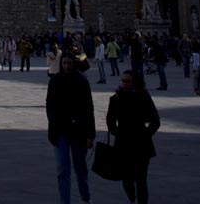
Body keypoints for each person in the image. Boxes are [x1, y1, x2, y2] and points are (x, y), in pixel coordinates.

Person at [46, 52, 95, 204]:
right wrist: (52, 124)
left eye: (69, 63)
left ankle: (85, 198)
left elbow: (89, 108)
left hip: (78, 131)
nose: (67, 66)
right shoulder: (55, 81)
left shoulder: (81, 81)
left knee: (80, 169)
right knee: (62, 170)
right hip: (60, 130)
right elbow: (49, 105)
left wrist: (90, 134)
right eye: (65, 63)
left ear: (74, 64)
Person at [107, 70, 160, 204]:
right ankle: (132, 198)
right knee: (126, 179)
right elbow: (110, 120)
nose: (125, 83)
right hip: (123, 144)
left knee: (141, 179)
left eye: (128, 81)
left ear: (134, 82)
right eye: (123, 81)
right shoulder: (115, 98)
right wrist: (116, 132)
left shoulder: (143, 96)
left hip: (142, 144)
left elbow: (155, 120)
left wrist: (146, 135)